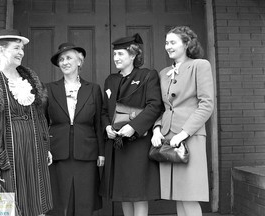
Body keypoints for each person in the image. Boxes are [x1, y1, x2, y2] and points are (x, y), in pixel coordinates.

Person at [0, 29, 53, 215]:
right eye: (16, 48)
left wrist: (45, 146)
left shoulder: (30, 80)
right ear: (0, 50)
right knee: (6, 206)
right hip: (8, 153)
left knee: (36, 200)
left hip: (34, 150)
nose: (21, 52)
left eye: (22, 48)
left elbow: (39, 116)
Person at [151, 26, 214, 216]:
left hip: (190, 136)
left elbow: (206, 104)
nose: (168, 46)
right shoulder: (163, 73)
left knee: (190, 194)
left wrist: (184, 133)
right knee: (178, 194)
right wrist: (156, 130)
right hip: (167, 138)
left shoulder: (200, 65)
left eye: (173, 42)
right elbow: (162, 108)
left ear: (186, 44)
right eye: (166, 43)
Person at [100, 33, 163, 216]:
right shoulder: (110, 80)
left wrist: (134, 126)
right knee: (124, 193)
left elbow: (154, 105)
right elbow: (104, 111)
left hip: (138, 144)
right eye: (114, 54)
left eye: (120, 54)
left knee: (138, 193)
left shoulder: (147, 76)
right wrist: (106, 128)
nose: (116, 58)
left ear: (133, 55)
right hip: (117, 146)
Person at [45, 42, 105, 216]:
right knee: (59, 202)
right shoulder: (49, 89)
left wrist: (101, 152)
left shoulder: (93, 89)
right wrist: (44, 149)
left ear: (80, 61)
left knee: (84, 202)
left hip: (86, 152)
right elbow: (42, 121)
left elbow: (99, 123)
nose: (64, 62)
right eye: (61, 59)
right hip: (57, 152)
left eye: (68, 58)